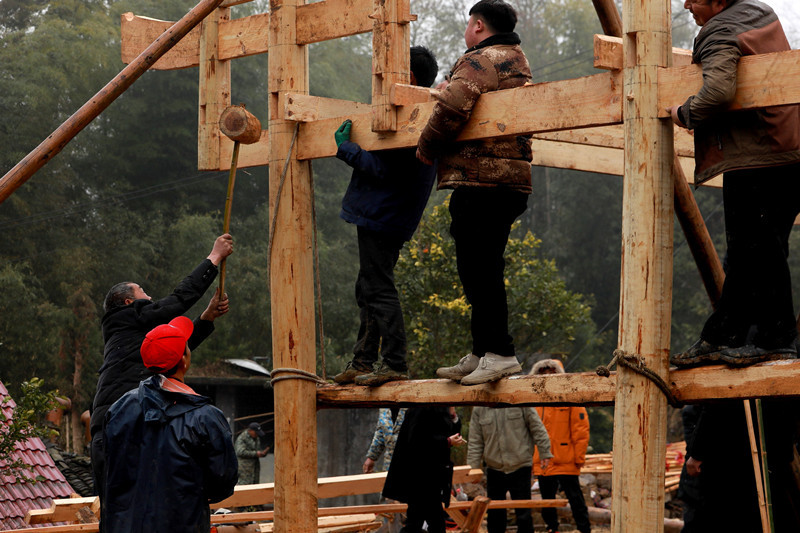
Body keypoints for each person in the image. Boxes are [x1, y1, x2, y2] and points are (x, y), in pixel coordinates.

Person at [667, 0, 800, 368]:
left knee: (759, 248)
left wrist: (684, 112)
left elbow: (720, 90)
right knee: (752, 249)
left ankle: (778, 337)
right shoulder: (761, 14)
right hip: (788, 149)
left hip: (758, 154)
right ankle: (723, 333)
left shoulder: (719, 30)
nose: (687, 5)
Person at [418, 0, 533, 386]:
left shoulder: (482, 59)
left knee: (479, 269)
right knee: (483, 266)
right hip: (507, 180)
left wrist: (427, 145)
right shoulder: (515, 59)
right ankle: (484, 349)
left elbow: (453, 106)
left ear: (479, 25)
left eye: (469, 25)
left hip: (482, 179)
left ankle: (499, 352)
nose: (467, 32)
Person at [90, 233, 233, 503]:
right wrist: (213, 258)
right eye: (144, 292)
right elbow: (178, 301)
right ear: (128, 303)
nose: (151, 297)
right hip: (119, 431)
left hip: (111, 433)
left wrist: (206, 317)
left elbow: (174, 349)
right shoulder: (125, 318)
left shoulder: (132, 342)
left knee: (118, 511)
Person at [332, 46, 439, 387]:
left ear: (408, 78)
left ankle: (393, 361)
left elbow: (387, 172)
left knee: (378, 287)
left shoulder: (415, 118)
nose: (381, 82)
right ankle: (363, 361)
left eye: (390, 74)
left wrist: (348, 149)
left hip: (385, 212)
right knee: (368, 286)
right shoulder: (412, 113)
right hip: (385, 212)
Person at [102, 316, 238, 533]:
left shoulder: (119, 409)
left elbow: (111, 472)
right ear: (184, 359)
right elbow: (222, 484)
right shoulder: (206, 418)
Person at [467, 407, 552, 533]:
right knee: (495, 516)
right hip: (494, 468)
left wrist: (545, 452)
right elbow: (475, 440)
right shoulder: (480, 408)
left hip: (521, 466)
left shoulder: (521, 401)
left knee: (524, 514)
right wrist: (472, 469)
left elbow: (537, 427)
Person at [530, 359, 591, 533]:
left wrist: (579, 457)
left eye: (551, 371)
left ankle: (584, 529)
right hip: (542, 460)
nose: (548, 375)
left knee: (575, 499)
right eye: (543, 372)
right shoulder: (532, 400)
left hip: (566, 459)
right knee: (547, 501)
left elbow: (581, 430)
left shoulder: (570, 397)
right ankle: (552, 529)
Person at [383, 406, 465, 533]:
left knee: (419, 522)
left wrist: (453, 415)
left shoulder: (442, 408)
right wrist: (447, 441)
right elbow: (417, 440)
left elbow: (452, 433)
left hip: (433, 476)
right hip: (419, 475)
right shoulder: (420, 407)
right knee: (425, 523)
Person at [364, 407, 407, 473]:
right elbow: (381, 431)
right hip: (389, 465)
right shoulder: (385, 407)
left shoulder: (415, 405)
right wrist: (371, 457)